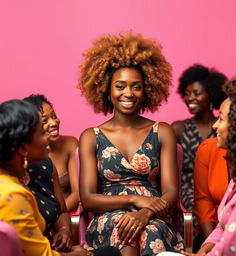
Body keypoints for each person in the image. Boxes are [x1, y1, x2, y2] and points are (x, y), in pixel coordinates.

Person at [77, 32, 184, 256]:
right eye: (120, 86)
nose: (128, 93)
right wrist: (134, 200)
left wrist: (145, 213)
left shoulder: (161, 131)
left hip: (155, 216)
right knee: (123, 227)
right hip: (108, 219)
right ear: (107, 89)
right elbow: (87, 199)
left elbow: (172, 193)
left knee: (149, 230)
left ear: (146, 90)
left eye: (136, 87)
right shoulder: (91, 136)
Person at [0, 99, 91, 256]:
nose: (48, 136)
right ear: (23, 148)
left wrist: (64, 231)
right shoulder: (13, 195)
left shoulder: (41, 167)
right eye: (42, 133)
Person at [182, 77, 236, 255]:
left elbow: (230, 252)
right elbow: (224, 226)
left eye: (221, 119)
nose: (215, 125)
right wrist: (205, 248)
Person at [171, 64, 227, 213]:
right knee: (198, 208)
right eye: (187, 93)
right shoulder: (179, 128)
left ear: (211, 95)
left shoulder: (222, 129)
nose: (190, 98)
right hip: (187, 192)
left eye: (196, 93)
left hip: (218, 187)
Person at [24, 94, 79, 213]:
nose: (53, 123)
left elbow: (78, 192)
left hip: (63, 215)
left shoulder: (70, 144)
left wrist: (57, 217)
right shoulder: (26, 154)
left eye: (54, 116)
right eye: (45, 120)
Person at [193, 137, 228, 240]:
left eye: (221, 120)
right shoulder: (209, 148)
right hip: (216, 230)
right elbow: (203, 200)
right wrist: (212, 243)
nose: (215, 125)